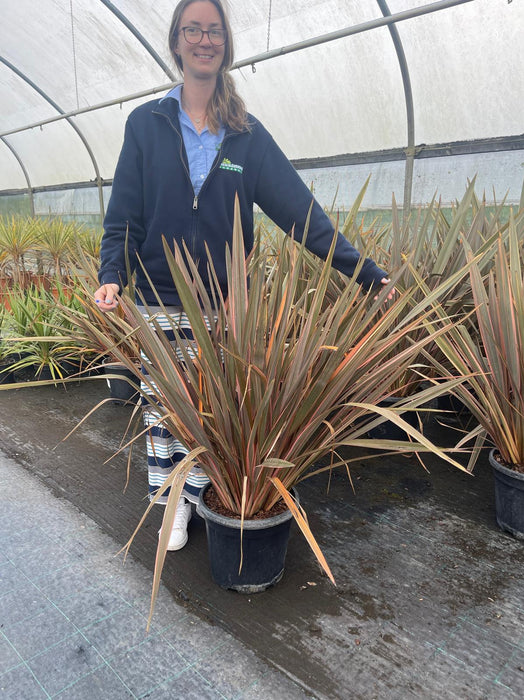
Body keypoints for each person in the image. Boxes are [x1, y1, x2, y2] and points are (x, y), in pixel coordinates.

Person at [94, 0, 393, 551]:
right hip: (160, 294)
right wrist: (111, 272)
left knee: (213, 406)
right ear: (176, 42)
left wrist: (365, 273)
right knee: (164, 407)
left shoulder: (246, 135)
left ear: (225, 43)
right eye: (193, 31)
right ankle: (170, 507)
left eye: (214, 31)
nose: (204, 40)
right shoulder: (146, 124)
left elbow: (302, 215)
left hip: (225, 303)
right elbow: (125, 214)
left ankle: (202, 497)